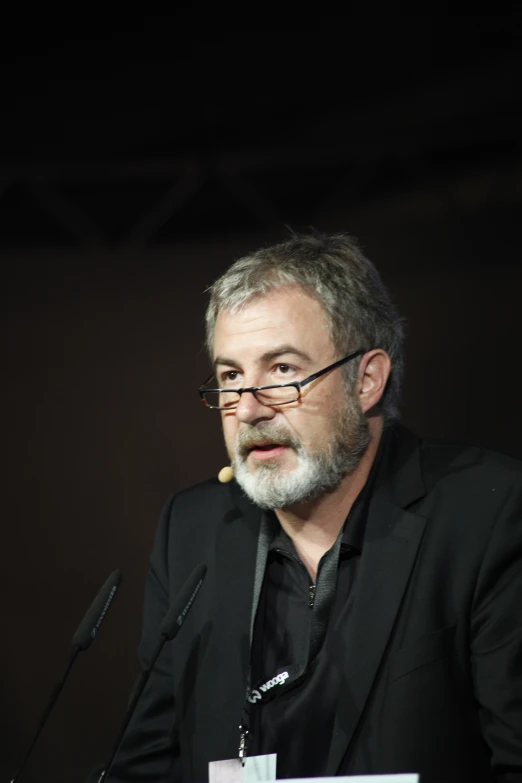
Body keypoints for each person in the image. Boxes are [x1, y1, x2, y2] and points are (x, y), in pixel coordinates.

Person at [97, 233, 522, 782]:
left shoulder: (486, 512)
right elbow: (145, 764)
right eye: (231, 376)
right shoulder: (194, 529)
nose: (248, 408)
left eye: (281, 370)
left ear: (366, 380)